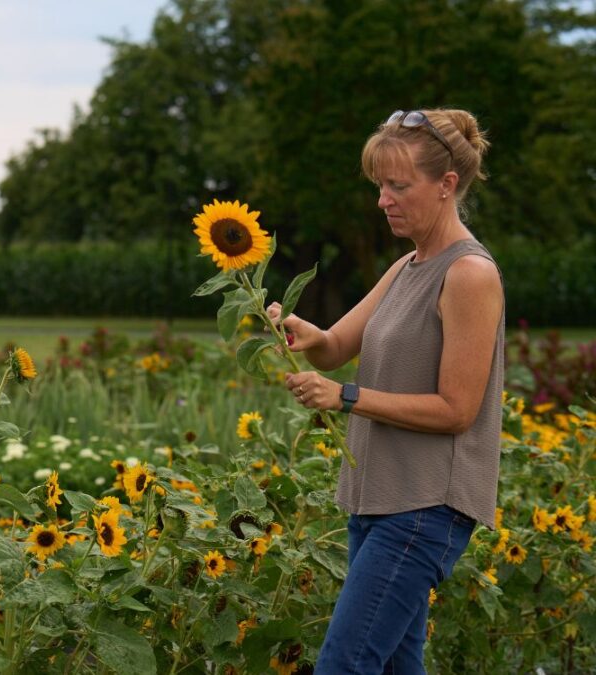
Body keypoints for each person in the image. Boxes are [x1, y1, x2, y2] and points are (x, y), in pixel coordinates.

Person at [266, 109, 503, 674]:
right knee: (397, 667)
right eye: (380, 185)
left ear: (446, 186)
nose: (383, 200)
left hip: (424, 508)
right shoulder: (407, 268)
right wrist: (298, 331)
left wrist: (345, 397)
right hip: (376, 500)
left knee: (344, 666)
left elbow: (457, 410)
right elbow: (335, 344)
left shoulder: (469, 274)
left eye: (399, 185)